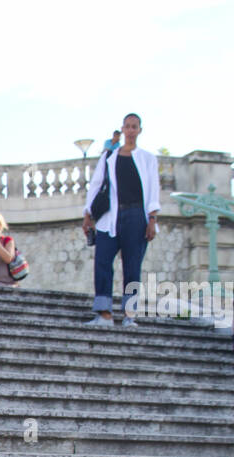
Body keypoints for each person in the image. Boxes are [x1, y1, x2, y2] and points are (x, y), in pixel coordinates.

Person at [82, 113, 161, 327]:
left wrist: (152, 218)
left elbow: (153, 189)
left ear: (139, 130)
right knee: (102, 261)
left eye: (134, 127)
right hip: (110, 215)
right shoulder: (109, 156)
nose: (131, 130)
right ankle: (104, 312)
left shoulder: (147, 158)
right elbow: (97, 184)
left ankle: (130, 314)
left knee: (132, 266)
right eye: (127, 126)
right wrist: (88, 214)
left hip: (136, 215)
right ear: (123, 129)